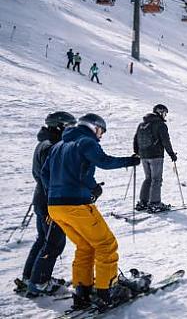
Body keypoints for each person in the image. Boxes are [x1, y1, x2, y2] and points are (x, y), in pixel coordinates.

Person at [42, 114, 141, 309]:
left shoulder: (58, 146)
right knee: (106, 245)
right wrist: (130, 161)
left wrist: (56, 193)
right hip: (76, 205)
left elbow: (45, 174)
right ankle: (106, 291)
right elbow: (104, 161)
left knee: (85, 246)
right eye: (101, 131)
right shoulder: (86, 141)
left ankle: (82, 292)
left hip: (55, 207)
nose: (101, 136)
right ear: (94, 127)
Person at [19, 112, 76, 296]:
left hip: (41, 198)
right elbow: (52, 177)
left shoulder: (44, 143)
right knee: (54, 243)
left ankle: (30, 277)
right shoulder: (52, 146)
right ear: (60, 127)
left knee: (43, 239)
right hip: (51, 201)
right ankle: (39, 282)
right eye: (69, 126)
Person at [133, 104, 177, 212]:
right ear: (160, 112)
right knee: (156, 179)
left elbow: (136, 139)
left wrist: (137, 152)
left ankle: (143, 202)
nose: (165, 115)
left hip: (144, 156)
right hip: (156, 155)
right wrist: (171, 154)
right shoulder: (160, 125)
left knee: (148, 178)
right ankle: (154, 203)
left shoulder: (142, 124)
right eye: (164, 113)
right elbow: (165, 141)